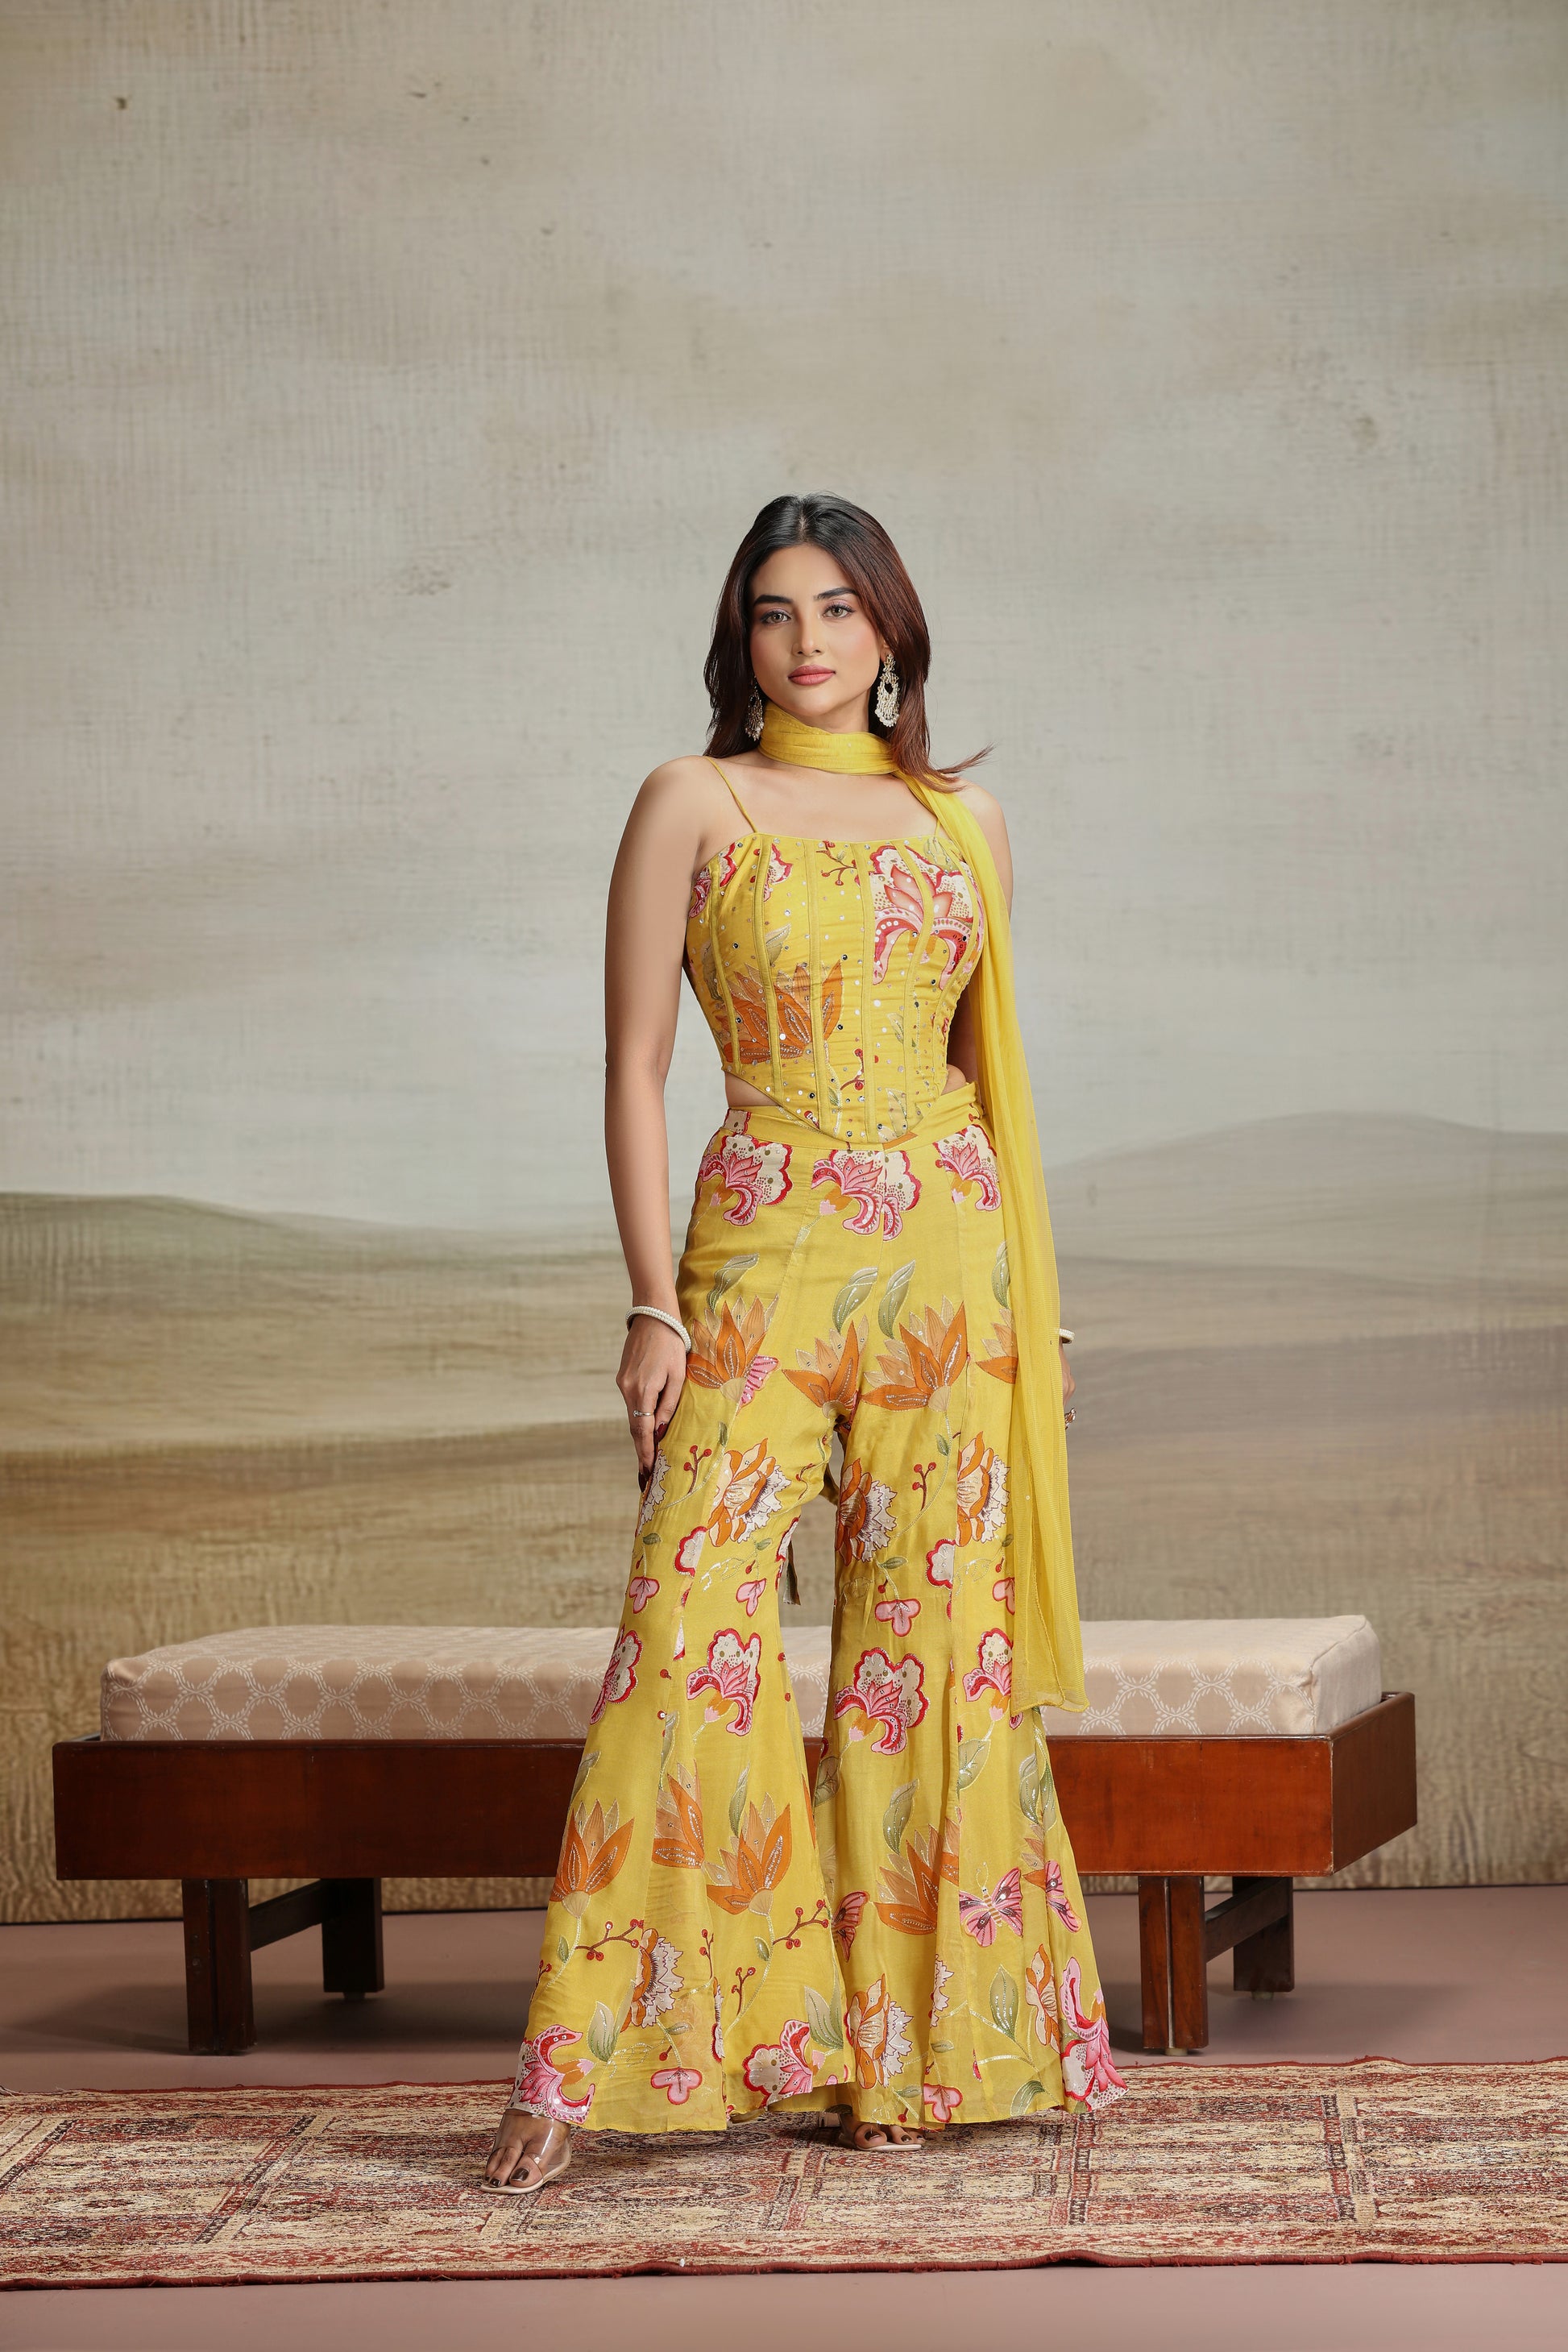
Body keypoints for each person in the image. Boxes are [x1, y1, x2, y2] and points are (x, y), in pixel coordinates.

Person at [484, 492, 1126, 2192]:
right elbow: (632, 1065)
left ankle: (914, 2061)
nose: (809, 639)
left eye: (838, 606)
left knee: (933, 1653)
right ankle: (587, 2069)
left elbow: (994, 1070)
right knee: (688, 1631)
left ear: (893, 632)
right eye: (773, 612)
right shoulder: (688, 800)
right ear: (740, 639)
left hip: (951, 1271)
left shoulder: (962, 819)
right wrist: (647, 1299)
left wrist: (1032, 1306)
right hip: (758, 1254)